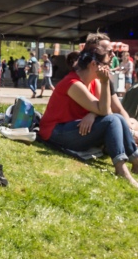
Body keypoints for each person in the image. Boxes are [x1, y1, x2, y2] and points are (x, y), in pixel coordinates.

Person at [39, 43, 138, 188]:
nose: (109, 67)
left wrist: (93, 114)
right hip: (56, 132)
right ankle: (121, 168)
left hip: (76, 128)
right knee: (112, 121)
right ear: (94, 64)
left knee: (116, 118)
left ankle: (135, 160)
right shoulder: (73, 83)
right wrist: (104, 84)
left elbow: (107, 112)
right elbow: (105, 112)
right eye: (106, 64)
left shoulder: (93, 82)